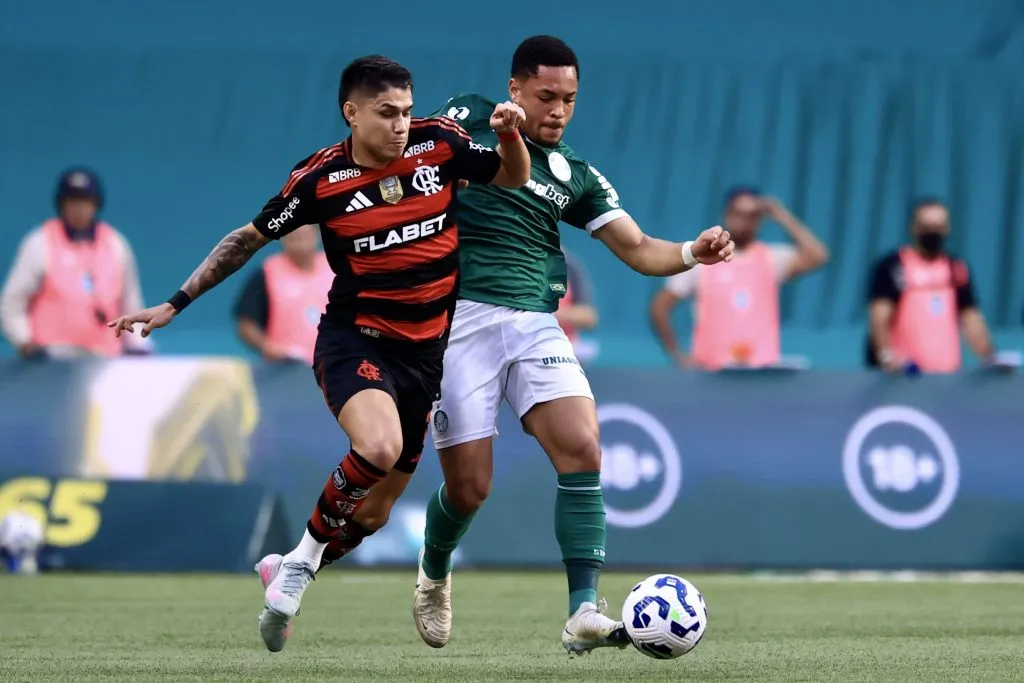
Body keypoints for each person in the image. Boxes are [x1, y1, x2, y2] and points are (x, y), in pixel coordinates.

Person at [265, 36, 734, 655]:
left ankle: (582, 609)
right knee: (470, 488)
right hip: (456, 321)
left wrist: (692, 253)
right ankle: (434, 571)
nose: (558, 110)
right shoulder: (466, 117)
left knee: (583, 447)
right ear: (515, 89)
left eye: (569, 99)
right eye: (546, 95)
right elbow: (398, 153)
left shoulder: (576, 174)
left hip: (537, 322)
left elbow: (641, 249)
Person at [108, 54, 530, 653]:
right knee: (378, 447)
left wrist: (510, 135)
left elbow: (512, 177)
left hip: (425, 357)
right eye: (386, 113)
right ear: (351, 113)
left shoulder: (440, 143)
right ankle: (301, 566)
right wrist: (175, 303)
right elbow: (245, 241)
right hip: (355, 341)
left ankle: (288, 565)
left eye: (406, 111)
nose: (401, 124)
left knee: (374, 515)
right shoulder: (319, 180)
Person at [648, 185, 829, 369]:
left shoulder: (773, 259)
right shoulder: (701, 261)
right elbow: (659, 307)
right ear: (727, 216)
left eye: (752, 216)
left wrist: (781, 215)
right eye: (739, 214)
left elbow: (818, 255)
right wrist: (678, 356)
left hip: (761, 372)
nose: (744, 221)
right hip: (711, 372)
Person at [1, 168, 150, 359]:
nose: (79, 208)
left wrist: (139, 345)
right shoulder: (40, 242)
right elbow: (11, 303)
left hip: (107, 360)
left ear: (96, 204)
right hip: (52, 361)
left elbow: (131, 305)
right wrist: (25, 341)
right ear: (61, 204)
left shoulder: (115, 244)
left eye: (85, 201)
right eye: (72, 201)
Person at [866, 197, 995, 373]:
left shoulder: (956, 269)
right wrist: (886, 356)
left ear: (947, 229)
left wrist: (991, 356)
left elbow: (970, 318)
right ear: (914, 228)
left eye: (939, 227)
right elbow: (879, 318)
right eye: (926, 227)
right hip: (905, 375)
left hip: (947, 375)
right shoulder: (893, 266)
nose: (933, 233)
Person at [233, 224, 333, 364]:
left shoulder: (337, 268)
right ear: (283, 237)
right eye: (294, 234)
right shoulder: (267, 272)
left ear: (317, 234)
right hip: (284, 366)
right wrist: (266, 347)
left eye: (305, 233)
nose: (300, 238)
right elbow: (246, 323)